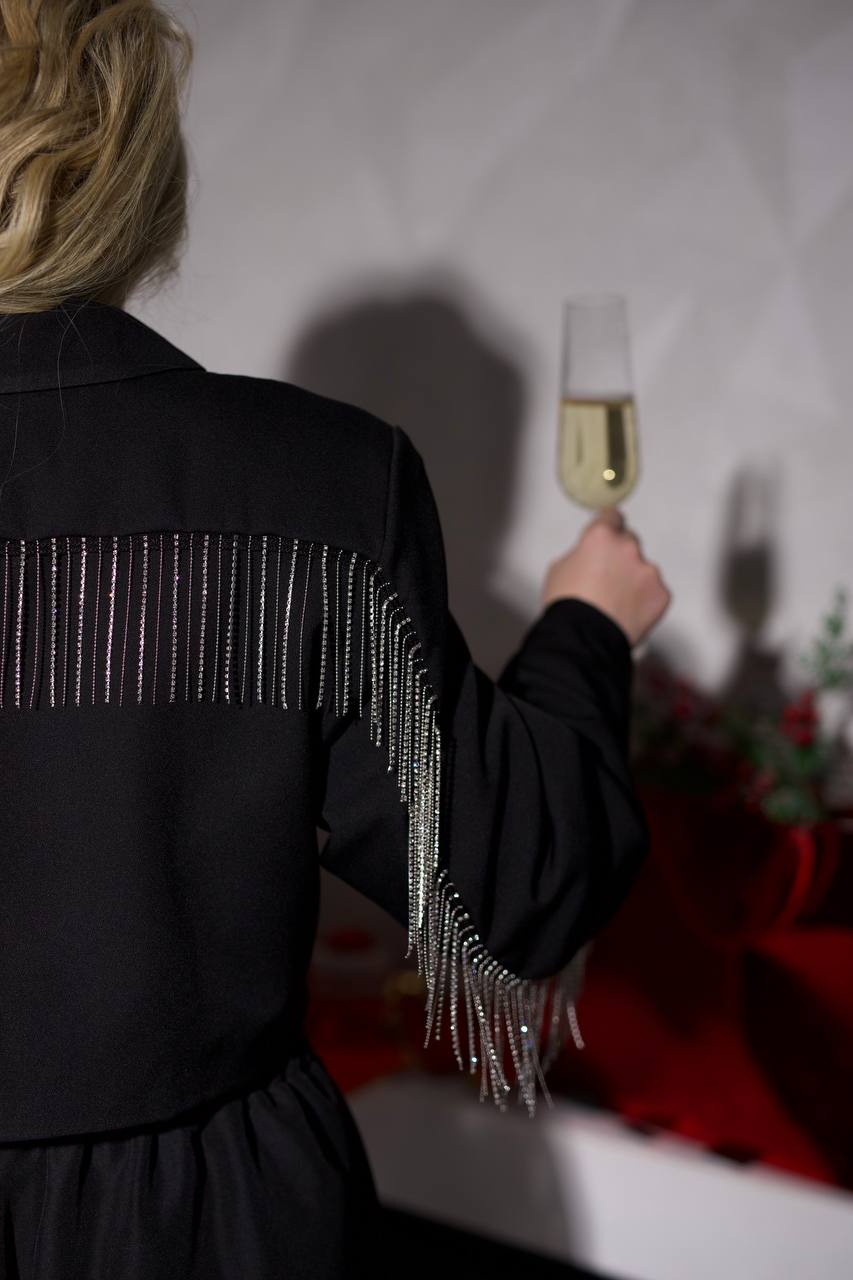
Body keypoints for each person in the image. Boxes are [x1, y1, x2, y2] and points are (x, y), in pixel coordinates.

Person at [0, 2, 671, 1276]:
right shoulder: (310, 485)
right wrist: (587, 626)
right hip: (211, 1223)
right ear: (130, 168)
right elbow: (518, 882)